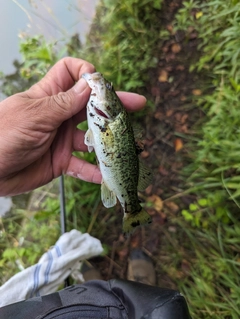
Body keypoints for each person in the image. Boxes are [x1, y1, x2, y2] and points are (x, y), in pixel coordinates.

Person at [0, 57, 192, 318]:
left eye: (108, 89)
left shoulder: (109, 117)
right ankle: (120, 288)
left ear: (111, 105)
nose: (104, 87)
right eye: (108, 89)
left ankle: (97, 285)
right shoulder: (106, 116)